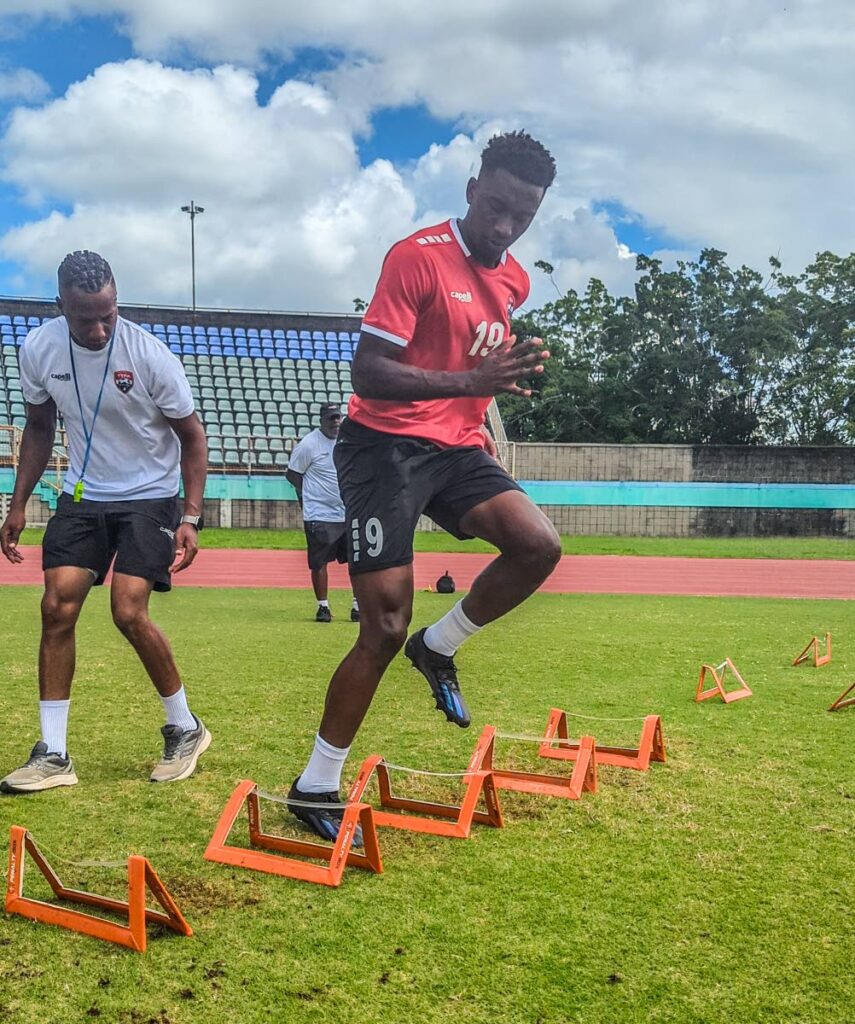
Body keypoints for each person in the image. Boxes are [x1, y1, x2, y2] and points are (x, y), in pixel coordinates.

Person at [287, 131, 562, 842]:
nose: (503, 228)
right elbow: (368, 372)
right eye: (495, 207)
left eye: (521, 218)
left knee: (537, 545)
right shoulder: (416, 258)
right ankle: (314, 784)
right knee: (381, 626)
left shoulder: (515, 280)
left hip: (457, 448)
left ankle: (439, 646)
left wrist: (490, 396)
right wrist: (470, 382)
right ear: (472, 189)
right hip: (383, 447)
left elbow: (478, 368)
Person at [0, 250, 211, 793]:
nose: (97, 329)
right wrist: (19, 502)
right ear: (60, 307)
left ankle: (185, 727)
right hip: (86, 494)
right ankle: (53, 754)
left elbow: (192, 437)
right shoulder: (39, 349)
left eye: (107, 315)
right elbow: (41, 427)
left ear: (117, 302)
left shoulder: (150, 355)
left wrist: (191, 515)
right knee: (56, 605)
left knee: (128, 610)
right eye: (83, 318)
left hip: (151, 494)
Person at [285, 403, 359, 623]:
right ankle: (323, 607)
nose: (335, 422)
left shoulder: (347, 442)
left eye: (338, 418)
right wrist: (307, 497)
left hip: (347, 512)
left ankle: (357, 606)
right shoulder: (309, 444)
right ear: (321, 420)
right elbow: (293, 474)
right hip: (320, 513)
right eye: (331, 419)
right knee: (319, 563)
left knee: (357, 561)